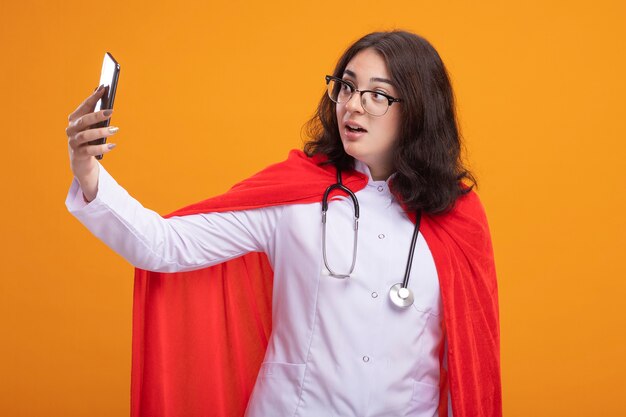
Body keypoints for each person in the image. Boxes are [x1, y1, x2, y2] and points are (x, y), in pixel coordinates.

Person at [65, 31, 501, 417]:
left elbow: (467, 364)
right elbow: (164, 246)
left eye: (376, 95)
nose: (353, 105)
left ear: (419, 109)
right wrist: (89, 174)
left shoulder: (457, 218)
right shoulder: (294, 196)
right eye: (346, 87)